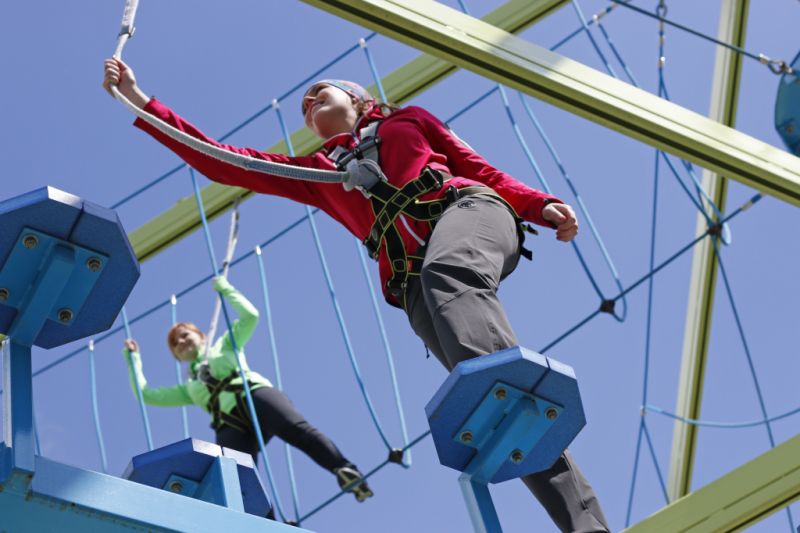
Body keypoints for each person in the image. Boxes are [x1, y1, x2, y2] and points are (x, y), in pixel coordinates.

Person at [105, 58, 609, 532]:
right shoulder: (317, 174)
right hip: (414, 281)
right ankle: (581, 519)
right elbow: (225, 163)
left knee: (451, 280)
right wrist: (140, 101)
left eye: (317, 93)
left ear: (359, 99)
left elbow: (478, 168)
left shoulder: (406, 121)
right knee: (490, 403)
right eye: (303, 106)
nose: (307, 103)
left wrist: (539, 204)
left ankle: (507, 384)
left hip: (468, 213)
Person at [122, 276, 373, 504]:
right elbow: (147, 395)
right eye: (176, 344)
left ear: (201, 336)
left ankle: (343, 468)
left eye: (185, 335)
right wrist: (133, 360)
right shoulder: (190, 387)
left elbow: (250, 316)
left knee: (294, 429)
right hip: (230, 423)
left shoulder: (225, 346)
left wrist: (226, 289)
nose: (181, 342)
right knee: (234, 476)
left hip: (255, 396)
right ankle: (265, 523)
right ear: (178, 357)